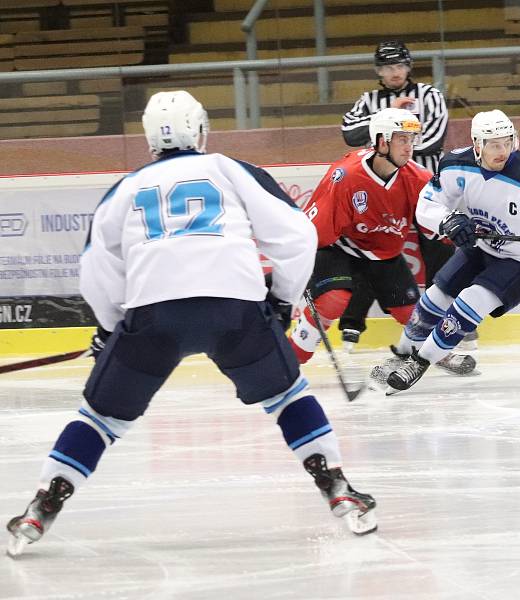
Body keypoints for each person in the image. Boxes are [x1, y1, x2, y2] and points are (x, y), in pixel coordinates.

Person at [5, 91, 376, 557]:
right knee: (287, 396)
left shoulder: (125, 188)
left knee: (102, 417)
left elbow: (96, 267)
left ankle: (44, 502)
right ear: (200, 131)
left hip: (154, 317)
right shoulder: (228, 169)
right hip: (235, 310)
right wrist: (281, 300)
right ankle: (336, 485)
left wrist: (110, 328)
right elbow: (297, 235)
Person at [382, 109, 520, 393]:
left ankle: (420, 361)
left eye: (507, 142)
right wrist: (449, 221)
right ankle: (402, 353)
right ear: (477, 145)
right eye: (494, 144)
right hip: (484, 247)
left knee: (471, 299)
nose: (503, 151)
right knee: (435, 296)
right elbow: (428, 203)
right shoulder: (456, 165)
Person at [288, 107, 472, 375]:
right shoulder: (346, 176)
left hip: (385, 255)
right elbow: (315, 225)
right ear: (382, 141)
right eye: (402, 140)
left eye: (411, 140)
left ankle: (435, 352)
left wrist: (453, 226)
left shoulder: (417, 178)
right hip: (341, 250)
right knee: (333, 299)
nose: (410, 148)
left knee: (414, 314)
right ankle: (292, 357)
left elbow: (434, 215)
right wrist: (301, 256)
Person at [339, 40, 461, 351]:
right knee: (374, 249)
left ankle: (445, 320)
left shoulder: (430, 95)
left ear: (408, 67)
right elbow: (348, 133)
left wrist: (388, 141)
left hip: (426, 187)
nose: (395, 72)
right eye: (387, 67)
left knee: (439, 253)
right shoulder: (370, 100)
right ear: (379, 71)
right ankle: (352, 323)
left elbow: (434, 139)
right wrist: (386, 116)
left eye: (399, 66)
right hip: (383, 190)